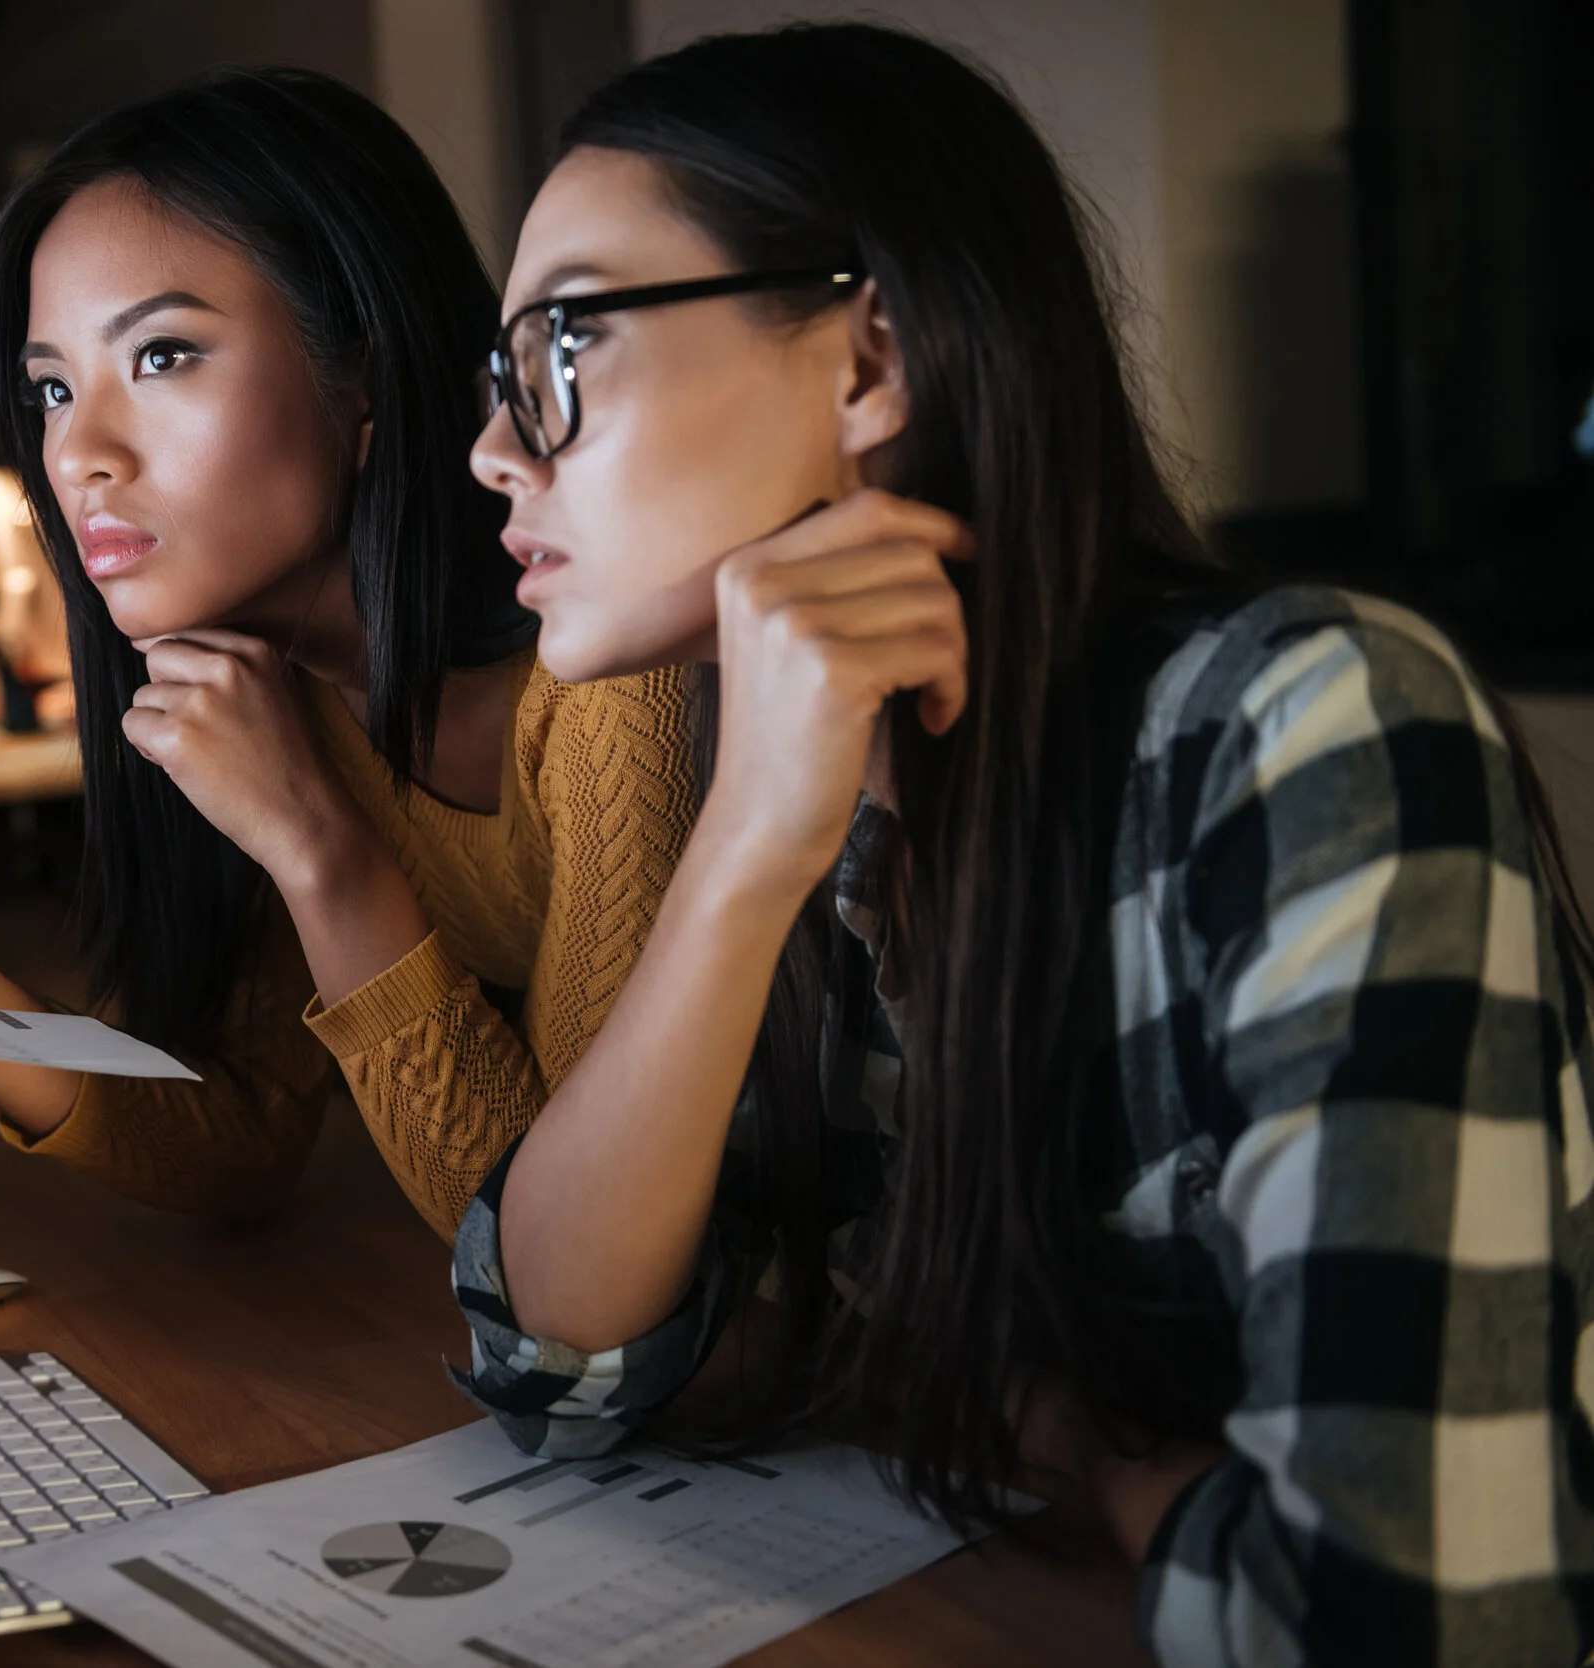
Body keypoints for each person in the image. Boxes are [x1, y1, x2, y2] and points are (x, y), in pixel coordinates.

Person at [454, 25, 1594, 1667]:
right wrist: (739, 861)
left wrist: (1086, 1445)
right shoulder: (794, 776)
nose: (497, 447)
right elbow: (543, 1365)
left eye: (561, 344)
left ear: (871, 360)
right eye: (498, 379)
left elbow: (1412, 1629)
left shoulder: (1302, 729)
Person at [0, 69, 699, 1241]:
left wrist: (318, 848)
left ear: (363, 376)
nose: (80, 454)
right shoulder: (265, 696)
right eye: (52, 389)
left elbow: (571, 1256)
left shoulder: (615, 674)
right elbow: (242, 1133)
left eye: (163, 357)